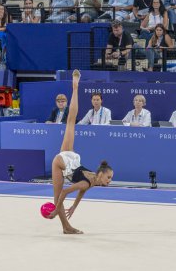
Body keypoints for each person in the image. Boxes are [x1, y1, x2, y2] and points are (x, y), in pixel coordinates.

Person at [49, 70, 113, 234]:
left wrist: (74, 207)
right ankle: (66, 227)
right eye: (109, 177)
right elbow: (65, 192)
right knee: (57, 197)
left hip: (72, 158)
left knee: (71, 120)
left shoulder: (92, 180)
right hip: (61, 162)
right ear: (101, 174)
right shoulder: (87, 182)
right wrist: (56, 209)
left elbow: (81, 193)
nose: (110, 181)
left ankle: (75, 88)